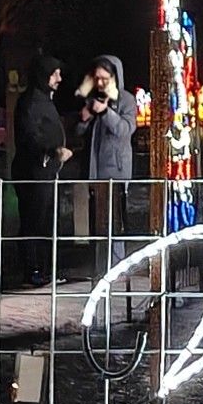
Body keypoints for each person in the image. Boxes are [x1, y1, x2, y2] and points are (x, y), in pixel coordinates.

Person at [9, 58, 71, 287]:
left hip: (45, 172)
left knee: (46, 222)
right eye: (55, 74)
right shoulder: (31, 102)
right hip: (34, 172)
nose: (59, 79)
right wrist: (52, 150)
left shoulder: (42, 100)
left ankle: (44, 269)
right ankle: (32, 270)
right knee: (34, 221)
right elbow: (30, 136)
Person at [74, 54, 136, 260]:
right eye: (97, 78)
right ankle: (100, 262)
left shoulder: (126, 100)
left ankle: (118, 262)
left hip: (116, 170)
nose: (100, 83)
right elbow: (79, 131)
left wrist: (106, 112)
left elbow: (125, 129)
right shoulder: (93, 97)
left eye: (105, 79)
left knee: (115, 219)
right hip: (94, 169)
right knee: (98, 219)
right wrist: (84, 119)